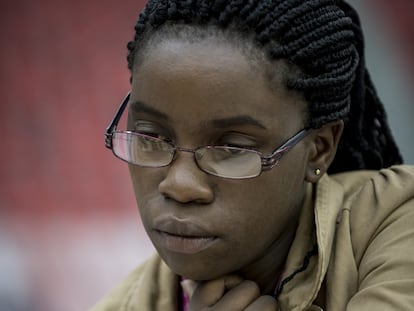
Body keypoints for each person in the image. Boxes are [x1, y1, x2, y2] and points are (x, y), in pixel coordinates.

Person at [91, 0, 414, 310]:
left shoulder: (396, 223)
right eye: (151, 137)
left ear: (319, 149)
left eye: (232, 148)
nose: (179, 185)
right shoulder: (125, 304)